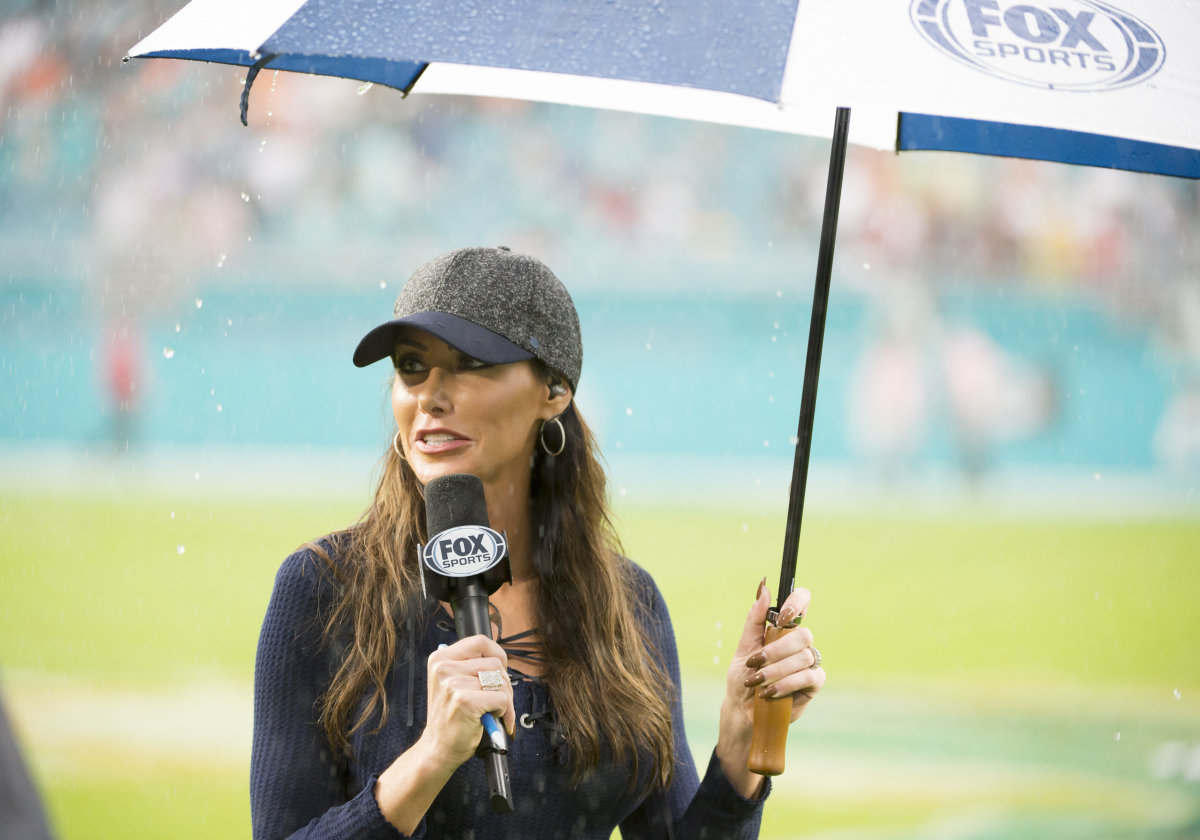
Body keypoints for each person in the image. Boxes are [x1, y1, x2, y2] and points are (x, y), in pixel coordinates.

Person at [250, 246, 825, 839]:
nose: (429, 396)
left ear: (554, 391)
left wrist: (737, 746)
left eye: (470, 364)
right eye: (411, 366)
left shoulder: (631, 604)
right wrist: (430, 758)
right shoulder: (322, 588)